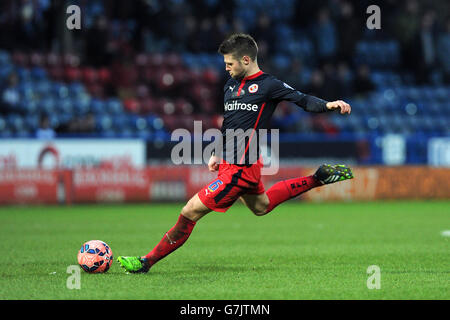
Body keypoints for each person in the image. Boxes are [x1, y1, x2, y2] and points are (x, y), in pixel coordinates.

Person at [117, 34, 353, 273]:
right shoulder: (229, 85)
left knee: (189, 211)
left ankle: (146, 262)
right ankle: (317, 178)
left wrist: (328, 105)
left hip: (240, 169)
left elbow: (302, 100)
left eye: (230, 63)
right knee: (261, 206)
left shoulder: (269, 85)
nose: (226, 68)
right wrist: (217, 153)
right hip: (232, 163)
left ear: (247, 60)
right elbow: (229, 123)